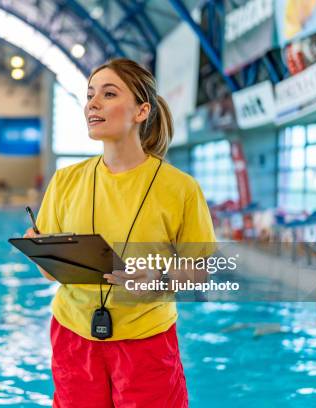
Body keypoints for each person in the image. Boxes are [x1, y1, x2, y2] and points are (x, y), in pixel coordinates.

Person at [24, 58, 216, 407]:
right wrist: (40, 249)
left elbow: (202, 271)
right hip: (73, 336)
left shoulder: (180, 189)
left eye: (108, 94)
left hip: (146, 341)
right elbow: (48, 272)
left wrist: (159, 277)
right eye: (90, 95)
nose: (92, 104)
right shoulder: (66, 181)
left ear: (142, 111)